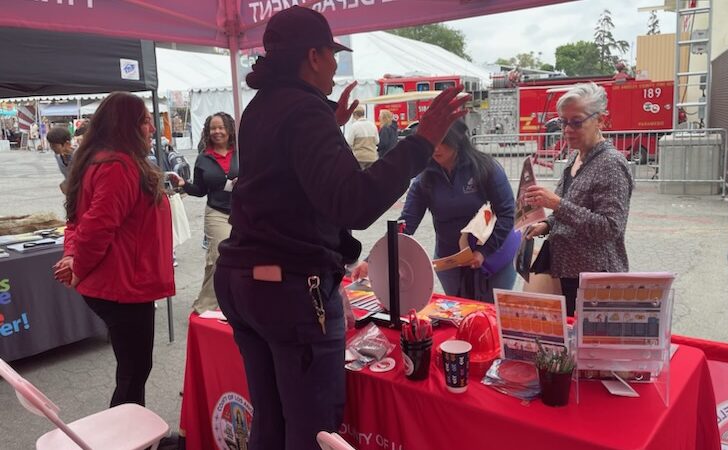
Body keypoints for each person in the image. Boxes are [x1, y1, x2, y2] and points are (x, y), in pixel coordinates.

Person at [212, 6, 468, 450]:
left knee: (270, 422)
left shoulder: (260, 107)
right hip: (289, 288)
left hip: (242, 281)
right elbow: (353, 203)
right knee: (314, 430)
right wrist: (421, 140)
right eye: (332, 55)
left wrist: (330, 126)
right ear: (313, 56)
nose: (335, 66)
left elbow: (285, 172)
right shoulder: (304, 111)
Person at [53, 92, 174, 407]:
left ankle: (133, 433)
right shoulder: (118, 165)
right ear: (128, 125)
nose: (150, 127)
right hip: (123, 285)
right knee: (134, 370)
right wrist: (77, 266)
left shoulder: (101, 159)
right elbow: (95, 228)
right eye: (144, 120)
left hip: (121, 283)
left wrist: (71, 256)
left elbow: (77, 221)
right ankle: (128, 436)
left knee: (132, 369)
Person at [352, 119, 518, 302]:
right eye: (433, 142)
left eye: (444, 142)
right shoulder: (424, 178)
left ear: (458, 141)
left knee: (493, 314)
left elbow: (508, 212)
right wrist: (372, 260)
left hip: (494, 255)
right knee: (459, 312)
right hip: (450, 260)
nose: (437, 148)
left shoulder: (486, 168)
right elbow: (405, 224)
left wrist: (484, 251)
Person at [521, 82, 633, 316]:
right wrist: (546, 225)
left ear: (601, 120)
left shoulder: (611, 164)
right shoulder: (576, 158)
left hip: (594, 279)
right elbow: (568, 213)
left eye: (577, 122)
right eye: (563, 122)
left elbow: (610, 228)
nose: (567, 129)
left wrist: (556, 204)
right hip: (568, 273)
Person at [168, 112, 238, 313]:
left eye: (221, 127)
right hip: (217, 213)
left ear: (229, 130)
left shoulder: (242, 152)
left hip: (244, 212)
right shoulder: (203, 158)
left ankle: (237, 301)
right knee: (219, 257)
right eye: (212, 128)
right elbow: (200, 191)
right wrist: (183, 185)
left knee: (243, 258)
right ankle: (206, 304)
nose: (217, 132)